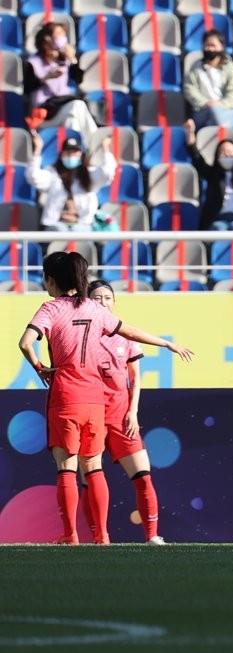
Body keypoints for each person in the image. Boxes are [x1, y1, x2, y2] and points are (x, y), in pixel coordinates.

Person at [17, 252, 194, 545]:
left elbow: (25, 343)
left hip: (66, 395)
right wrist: (166, 343)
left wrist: (39, 368)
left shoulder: (50, 309)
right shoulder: (93, 308)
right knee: (94, 466)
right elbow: (129, 331)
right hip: (95, 400)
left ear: (50, 279)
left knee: (67, 469)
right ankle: (103, 538)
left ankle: (70, 535)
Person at [80, 280, 165, 545]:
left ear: (114, 302)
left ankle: (152, 536)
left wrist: (133, 411)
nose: (102, 302)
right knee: (89, 480)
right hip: (90, 416)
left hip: (121, 416)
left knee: (143, 475)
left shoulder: (125, 337)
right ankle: (98, 537)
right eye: (96, 298)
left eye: (107, 297)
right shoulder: (80, 336)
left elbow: (135, 379)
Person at [24, 22, 98, 141]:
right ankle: (95, 142)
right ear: (47, 38)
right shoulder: (34, 62)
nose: (62, 38)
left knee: (72, 120)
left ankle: (75, 149)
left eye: (64, 34)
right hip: (44, 112)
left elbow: (79, 79)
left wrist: (73, 58)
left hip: (63, 108)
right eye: (58, 34)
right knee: (77, 105)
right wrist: (46, 77)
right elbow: (27, 88)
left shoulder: (64, 60)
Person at [29, 134, 117, 232]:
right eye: (67, 152)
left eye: (75, 152)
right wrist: (37, 150)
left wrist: (105, 148)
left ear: (81, 155)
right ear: (61, 154)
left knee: (78, 232)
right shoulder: (53, 173)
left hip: (82, 224)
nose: (71, 155)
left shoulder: (90, 174)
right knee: (59, 231)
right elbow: (34, 177)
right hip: (56, 223)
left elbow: (107, 173)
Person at [183, 30, 233, 130]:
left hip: (227, 110)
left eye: (213, 45)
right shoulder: (195, 67)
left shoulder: (229, 67)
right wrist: (206, 103)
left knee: (217, 117)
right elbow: (189, 89)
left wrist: (220, 104)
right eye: (207, 45)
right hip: (202, 109)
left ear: (221, 47)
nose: (209, 49)